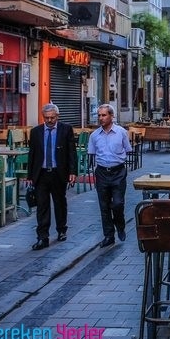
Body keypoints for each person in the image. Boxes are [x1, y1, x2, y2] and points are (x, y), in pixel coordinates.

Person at [27, 103, 77, 250]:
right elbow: (32, 154)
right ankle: (43, 237)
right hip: (41, 173)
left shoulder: (66, 129)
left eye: (52, 118)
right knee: (42, 205)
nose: (49, 121)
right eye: (46, 118)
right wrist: (30, 175)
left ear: (57, 116)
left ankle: (62, 230)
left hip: (58, 172)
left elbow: (71, 153)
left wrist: (72, 172)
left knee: (60, 202)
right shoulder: (36, 132)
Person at [88, 104, 133, 248]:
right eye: (99, 115)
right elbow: (92, 154)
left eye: (104, 115)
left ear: (111, 116)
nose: (101, 118)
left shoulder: (121, 132)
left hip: (118, 172)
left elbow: (128, 149)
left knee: (118, 203)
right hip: (102, 172)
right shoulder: (94, 136)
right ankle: (108, 236)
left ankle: (120, 224)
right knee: (104, 206)